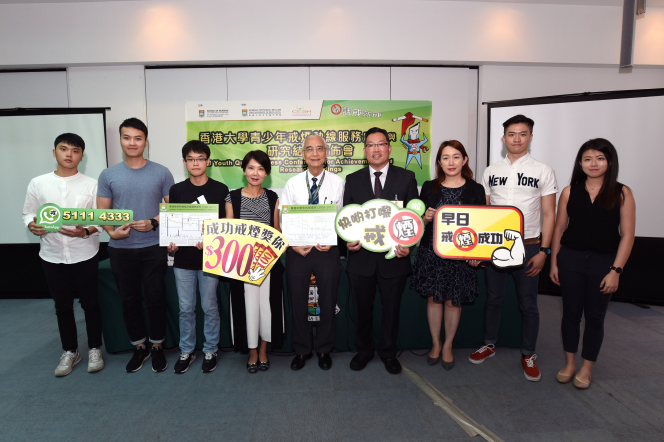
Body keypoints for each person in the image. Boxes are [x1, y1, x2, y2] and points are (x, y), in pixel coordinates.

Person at [470, 114, 557, 382]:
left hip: (529, 245)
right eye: (511, 134)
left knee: (528, 304)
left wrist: (545, 251)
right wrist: (480, 249)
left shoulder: (543, 170)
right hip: (496, 245)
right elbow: (483, 212)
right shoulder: (490, 171)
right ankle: (489, 344)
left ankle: (528, 353)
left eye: (522, 134)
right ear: (504, 137)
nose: (516, 139)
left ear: (530, 137)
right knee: (493, 299)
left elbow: (549, 214)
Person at [550, 138, 635, 389]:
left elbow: (627, 235)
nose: (593, 163)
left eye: (599, 158)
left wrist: (616, 271)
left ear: (609, 162)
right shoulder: (569, 191)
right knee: (570, 314)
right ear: (580, 163)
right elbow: (559, 229)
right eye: (587, 159)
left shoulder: (622, 192)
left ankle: (587, 368)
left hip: (604, 261)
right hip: (570, 259)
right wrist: (554, 262)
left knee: (595, 317)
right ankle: (570, 363)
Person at [22, 133, 104, 376]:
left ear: (82, 155)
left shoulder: (92, 184)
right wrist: (31, 225)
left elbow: (100, 219)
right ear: (54, 152)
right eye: (64, 149)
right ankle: (70, 351)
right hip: (52, 254)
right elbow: (28, 213)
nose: (69, 154)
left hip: (85, 252)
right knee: (62, 306)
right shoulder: (38, 183)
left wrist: (85, 231)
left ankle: (95, 348)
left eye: (75, 150)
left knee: (91, 304)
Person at [97, 118, 174, 373]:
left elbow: (173, 209)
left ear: (146, 142)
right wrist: (112, 233)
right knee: (129, 300)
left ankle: (157, 346)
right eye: (127, 137)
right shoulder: (108, 174)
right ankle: (138, 346)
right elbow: (102, 212)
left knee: (155, 298)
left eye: (138, 138)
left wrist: (154, 221)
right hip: (121, 250)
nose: (132, 142)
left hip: (153, 247)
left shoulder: (161, 172)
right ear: (121, 140)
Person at [343, 127, 419, 374]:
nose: (376, 149)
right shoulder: (352, 180)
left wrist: (408, 245)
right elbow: (347, 218)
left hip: (394, 258)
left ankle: (388, 352)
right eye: (371, 145)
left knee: (392, 310)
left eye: (381, 144)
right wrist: (347, 240)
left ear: (389, 148)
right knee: (361, 310)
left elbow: (412, 219)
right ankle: (364, 351)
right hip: (361, 258)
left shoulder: (406, 178)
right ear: (364, 150)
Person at [412, 141, 485, 371]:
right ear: (439, 162)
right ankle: (435, 343)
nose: (450, 162)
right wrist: (425, 218)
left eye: (456, 157)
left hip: (462, 257)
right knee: (434, 299)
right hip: (432, 254)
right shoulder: (428, 187)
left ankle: (448, 346)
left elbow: (482, 226)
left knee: (454, 301)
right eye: (445, 157)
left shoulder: (476, 189)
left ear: (464, 160)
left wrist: (478, 255)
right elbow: (417, 224)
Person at [279, 135, 345, 371]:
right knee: (297, 301)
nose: (315, 153)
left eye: (319, 149)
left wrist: (335, 238)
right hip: (298, 251)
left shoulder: (338, 183)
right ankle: (302, 350)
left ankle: (325, 349)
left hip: (327, 250)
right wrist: (292, 245)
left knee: (328, 300)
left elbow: (344, 218)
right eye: (310, 149)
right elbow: (284, 218)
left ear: (326, 153)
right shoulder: (293, 183)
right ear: (303, 154)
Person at [167, 140, 229, 374]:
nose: (196, 163)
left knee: (210, 307)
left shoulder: (220, 189)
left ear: (208, 161)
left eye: (200, 158)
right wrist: (171, 245)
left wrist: (212, 240)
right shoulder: (177, 190)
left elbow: (224, 227)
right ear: (184, 163)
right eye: (191, 159)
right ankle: (187, 350)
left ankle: (210, 349)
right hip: (183, 260)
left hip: (210, 260)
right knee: (185, 308)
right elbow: (173, 225)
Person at [225, 150, 285, 373]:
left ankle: (263, 351)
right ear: (244, 170)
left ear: (267, 173)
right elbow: (229, 232)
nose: (255, 173)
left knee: (266, 309)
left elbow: (277, 230)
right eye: (251, 167)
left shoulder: (273, 198)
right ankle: (251, 353)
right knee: (247, 309)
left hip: (268, 264)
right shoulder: (232, 197)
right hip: (241, 266)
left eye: (260, 168)